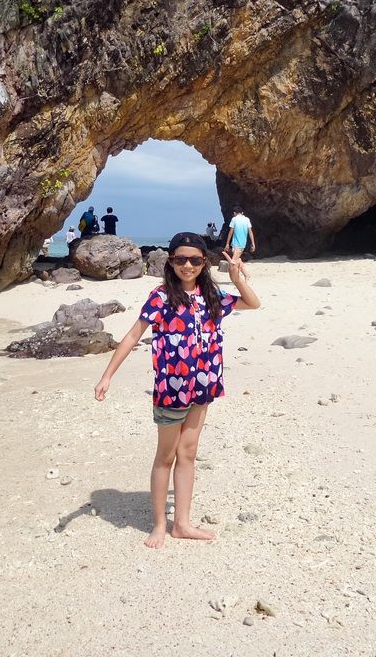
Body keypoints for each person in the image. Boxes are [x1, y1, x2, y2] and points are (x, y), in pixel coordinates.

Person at [94, 232, 261, 549]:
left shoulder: (211, 297)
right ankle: (159, 524)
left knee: (188, 454)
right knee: (166, 457)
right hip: (171, 390)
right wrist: (107, 376)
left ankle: (181, 523)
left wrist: (237, 278)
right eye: (181, 259)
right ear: (170, 262)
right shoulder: (161, 298)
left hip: (204, 386)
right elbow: (132, 337)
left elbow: (253, 302)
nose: (188, 265)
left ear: (204, 263)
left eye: (195, 260)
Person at [224, 206, 256, 275]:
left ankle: (236, 277)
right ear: (242, 212)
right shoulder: (247, 219)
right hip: (242, 243)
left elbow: (231, 232)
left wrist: (227, 243)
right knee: (237, 259)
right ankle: (246, 275)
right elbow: (250, 231)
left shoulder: (234, 219)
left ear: (234, 213)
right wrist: (253, 243)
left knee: (233, 262)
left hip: (236, 244)